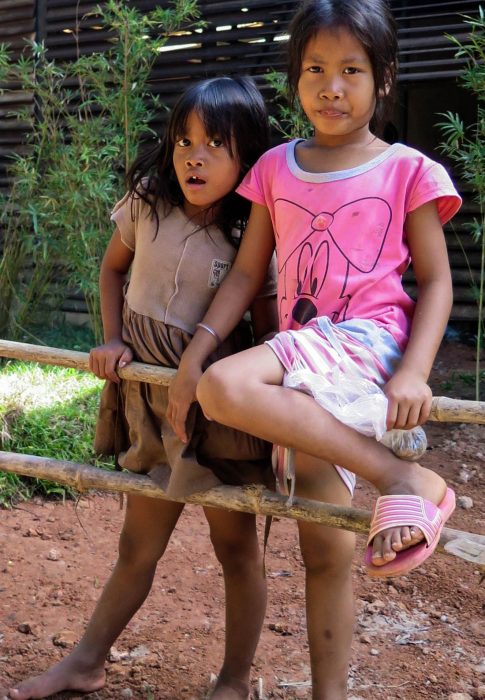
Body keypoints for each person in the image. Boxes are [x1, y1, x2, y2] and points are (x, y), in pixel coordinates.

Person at [167, 1, 462, 697]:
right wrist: (194, 349)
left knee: (226, 389)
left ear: (383, 78)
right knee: (325, 539)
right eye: (315, 70)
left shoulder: (406, 169)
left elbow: (437, 282)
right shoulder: (274, 167)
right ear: (295, 80)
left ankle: (402, 480)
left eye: (351, 70)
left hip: (362, 344)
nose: (332, 87)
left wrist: (415, 370)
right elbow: (247, 272)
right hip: (302, 359)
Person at [7, 76, 278, 700]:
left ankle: (235, 680)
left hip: (216, 413)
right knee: (137, 543)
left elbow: (265, 325)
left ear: (250, 153)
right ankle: (86, 660)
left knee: (234, 545)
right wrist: (111, 338)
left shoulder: (251, 231)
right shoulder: (147, 201)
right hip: (151, 401)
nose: (194, 157)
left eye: (215, 143)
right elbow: (112, 268)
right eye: (184, 141)